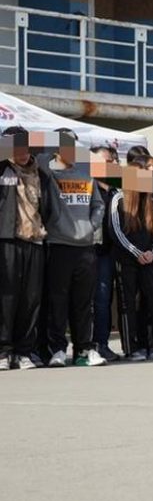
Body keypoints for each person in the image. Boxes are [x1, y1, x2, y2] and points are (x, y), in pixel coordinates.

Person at [42, 130, 106, 367]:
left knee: (83, 302)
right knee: (58, 301)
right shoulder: (47, 172)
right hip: (58, 244)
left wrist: (91, 226)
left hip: (85, 245)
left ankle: (83, 350)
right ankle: (58, 349)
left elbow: (98, 205)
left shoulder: (85, 174)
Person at [0, 127, 59, 370]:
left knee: (31, 299)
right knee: (7, 297)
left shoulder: (42, 173)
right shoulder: (3, 169)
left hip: (35, 240)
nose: (22, 153)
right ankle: (4, 351)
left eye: (26, 147)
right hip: (7, 240)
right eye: (16, 147)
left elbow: (50, 205)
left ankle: (25, 351)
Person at [111, 157, 153, 361]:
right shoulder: (119, 199)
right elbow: (116, 231)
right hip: (127, 259)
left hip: (149, 258)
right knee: (128, 304)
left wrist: (152, 252)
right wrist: (136, 252)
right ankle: (132, 348)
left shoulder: (150, 200)